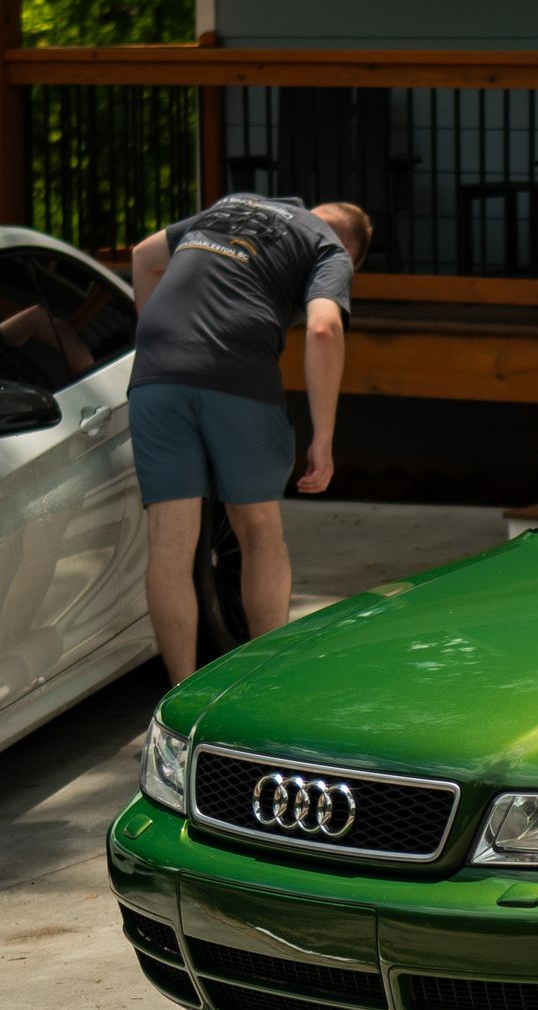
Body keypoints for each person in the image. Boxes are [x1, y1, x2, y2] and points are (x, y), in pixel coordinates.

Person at [127, 190, 371, 686]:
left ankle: (182, 695)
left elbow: (144, 256)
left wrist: (162, 341)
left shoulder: (232, 204)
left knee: (169, 541)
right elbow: (324, 329)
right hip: (238, 377)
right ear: (354, 255)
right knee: (259, 530)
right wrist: (322, 438)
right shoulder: (328, 247)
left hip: (155, 375)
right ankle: (260, 687)